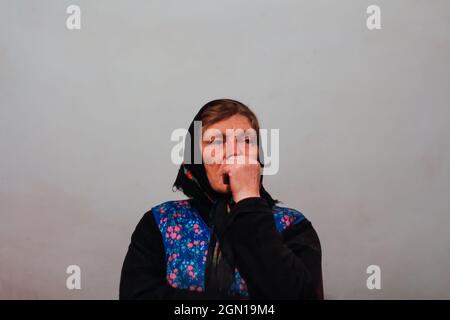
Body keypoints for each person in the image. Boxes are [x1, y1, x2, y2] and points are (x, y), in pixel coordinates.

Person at [119, 99, 323, 299]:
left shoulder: (293, 226)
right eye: (216, 140)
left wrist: (248, 201)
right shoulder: (160, 222)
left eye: (246, 141)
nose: (234, 151)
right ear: (195, 156)